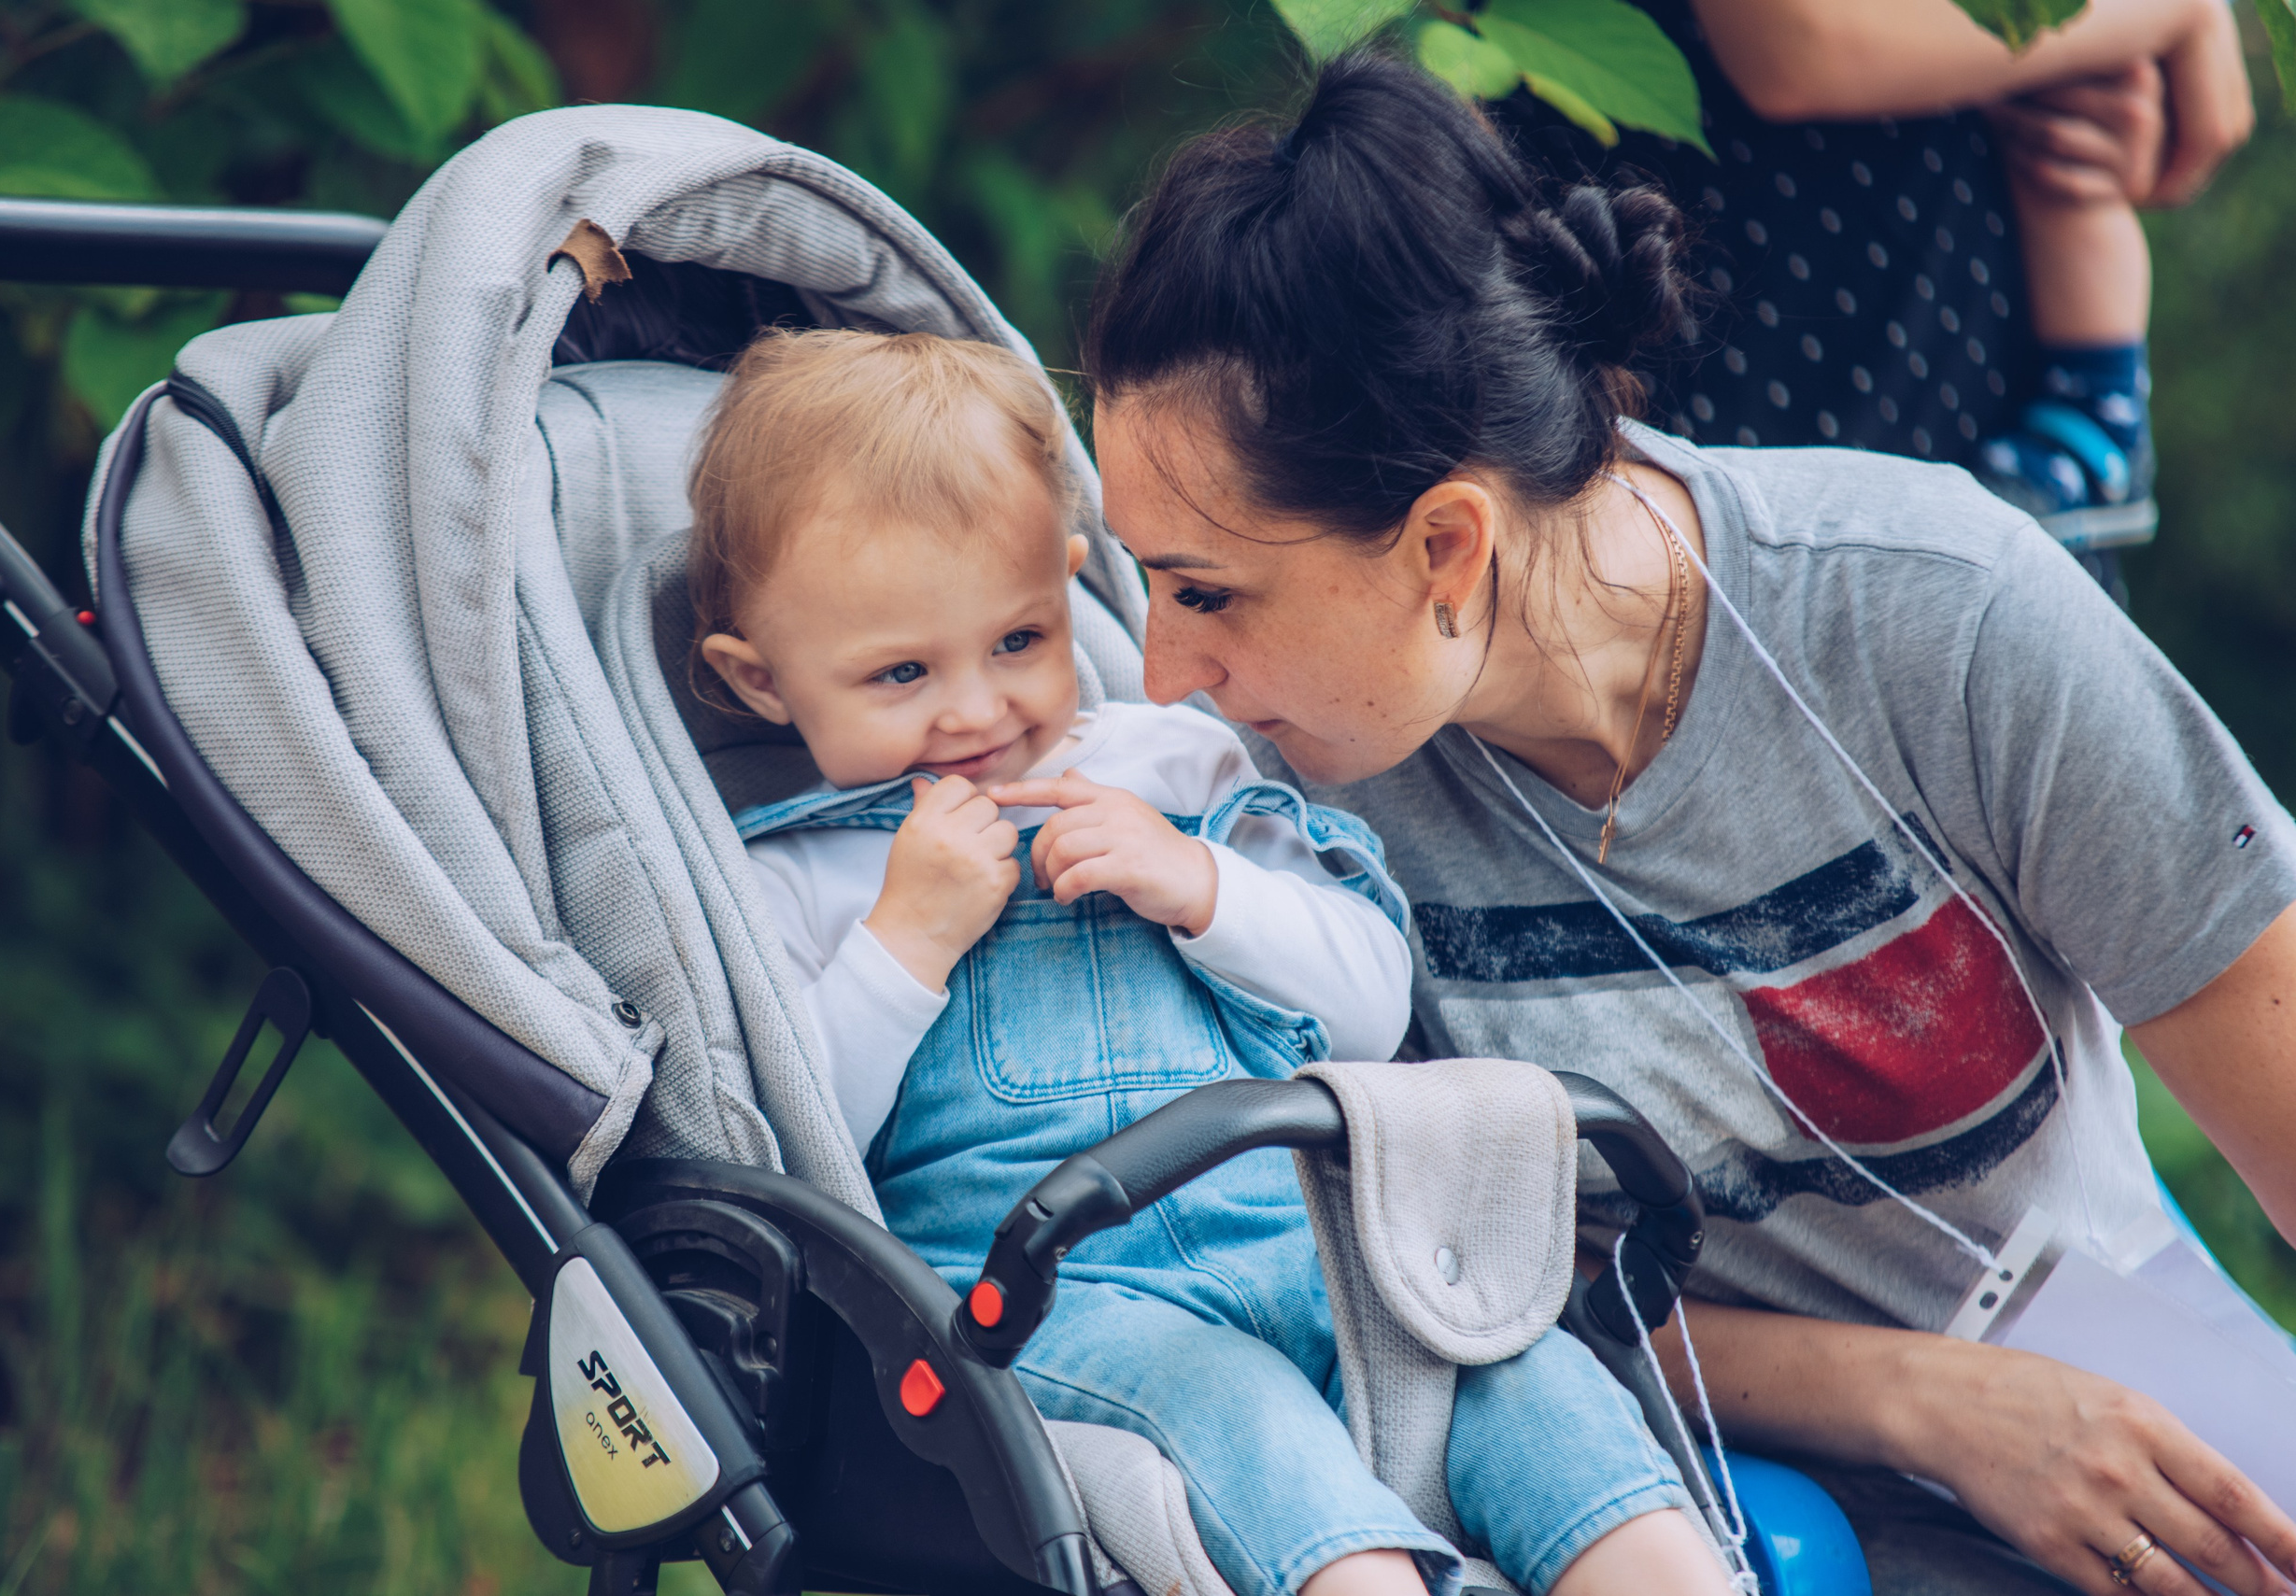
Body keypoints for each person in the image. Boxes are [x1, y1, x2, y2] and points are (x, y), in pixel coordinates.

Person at [1082, 49, 2296, 1596]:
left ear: (1447, 545)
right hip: (1674, 1507)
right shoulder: (1266, 816)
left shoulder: (1939, 618)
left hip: (2147, 1436)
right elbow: (1434, 1290)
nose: (1163, 671)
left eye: (1204, 591)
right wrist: (1935, 1403)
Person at [685, 328, 1727, 1596]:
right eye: (901, 672)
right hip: (1060, 1308)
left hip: (1321, 1251)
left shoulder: (1180, 768)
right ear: (762, 681)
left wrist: (1205, 886)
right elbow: (792, 1148)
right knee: (1240, 1417)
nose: (975, 710)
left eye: (1018, 640)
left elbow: (1369, 1008)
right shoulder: (798, 881)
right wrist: (904, 944)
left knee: (1525, 1374)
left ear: (1069, 585)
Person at [1546, 0, 2252, 600]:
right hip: (1779, 357)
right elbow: (1797, 40)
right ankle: (2096, 409)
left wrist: (2132, 52)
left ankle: (2097, 405)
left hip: (1957, 392)